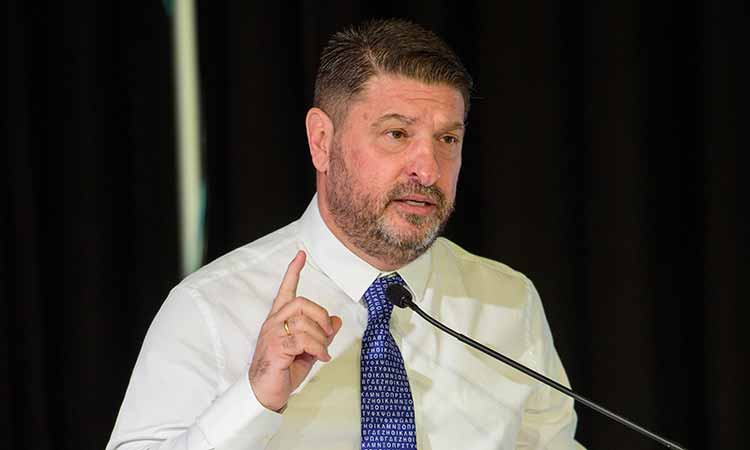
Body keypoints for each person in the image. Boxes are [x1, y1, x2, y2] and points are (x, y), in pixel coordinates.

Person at [107, 19, 584, 450]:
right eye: (397, 134)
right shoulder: (211, 307)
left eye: (447, 139)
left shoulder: (507, 302)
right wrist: (253, 400)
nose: (428, 170)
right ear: (322, 141)